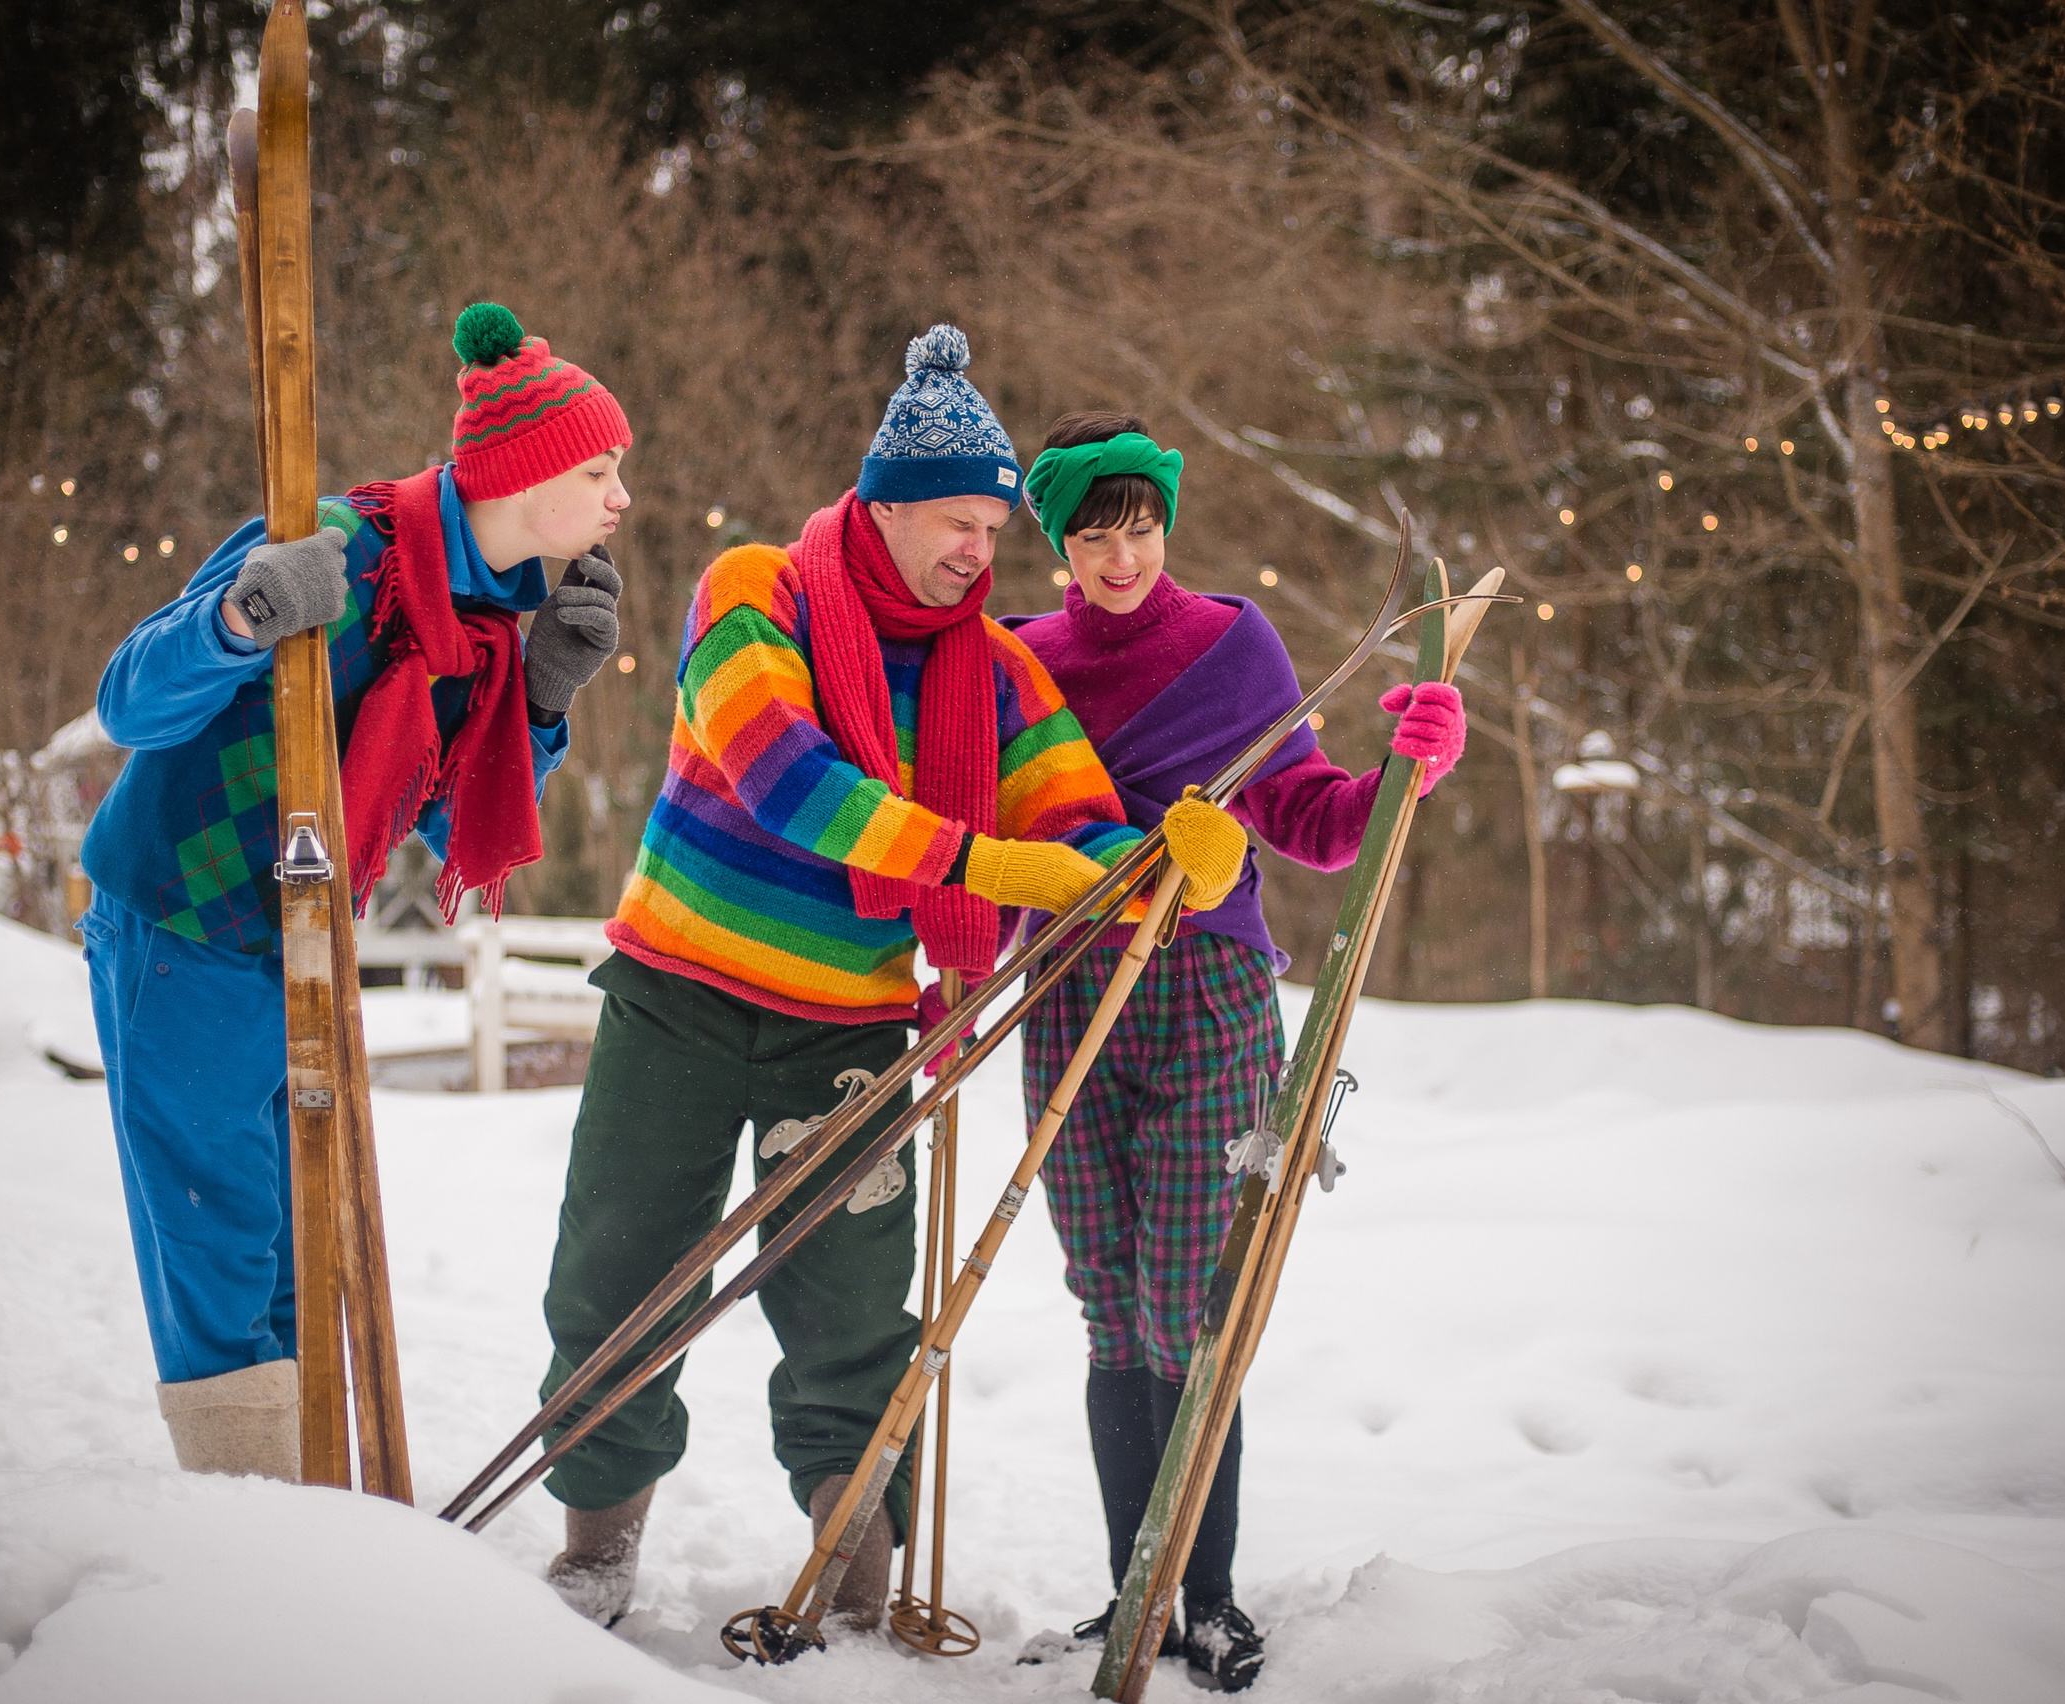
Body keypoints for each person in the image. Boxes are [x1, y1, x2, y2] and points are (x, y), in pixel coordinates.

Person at [535, 328, 1251, 1633]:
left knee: (859, 1317)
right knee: (620, 1273)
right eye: (956, 520)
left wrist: (1177, 867)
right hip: (677, 1000)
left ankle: (853, 1587)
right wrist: (989, 863)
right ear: (883, 505)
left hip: (851, 1033)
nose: (982, 548)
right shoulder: (760, 590)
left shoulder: (993, 670)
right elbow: (788, 780)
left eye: (994, 524)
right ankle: (596, 1549)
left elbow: (1088, 836)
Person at [81, 303, 632, 1480]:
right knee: (216, 1234)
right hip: (182, 928)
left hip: (301, 944)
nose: (618, 498)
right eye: (599, 468)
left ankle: (297, 1516)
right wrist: (242, 616)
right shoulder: (332, 544)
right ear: (527, 478)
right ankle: (247, 1510)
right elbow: (128, 702)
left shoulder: (481, 619)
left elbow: (447, 813)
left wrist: (539, 700)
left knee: (291, 1237)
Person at [1003, 412, 1468, 1692]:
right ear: (1061, 543)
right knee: (1106, 1308)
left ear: (1165, 523)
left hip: (1206, 990)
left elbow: (1310, 821)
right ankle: (1129, 1594)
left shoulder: (1231, 644)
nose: (1121, 556)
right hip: (1063, 998)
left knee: (1183, 1314)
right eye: (1094, 535)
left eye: (1140, 527)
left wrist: (1403, 777)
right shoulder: (1018, 664)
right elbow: (989, 841)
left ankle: (1199, 1597)